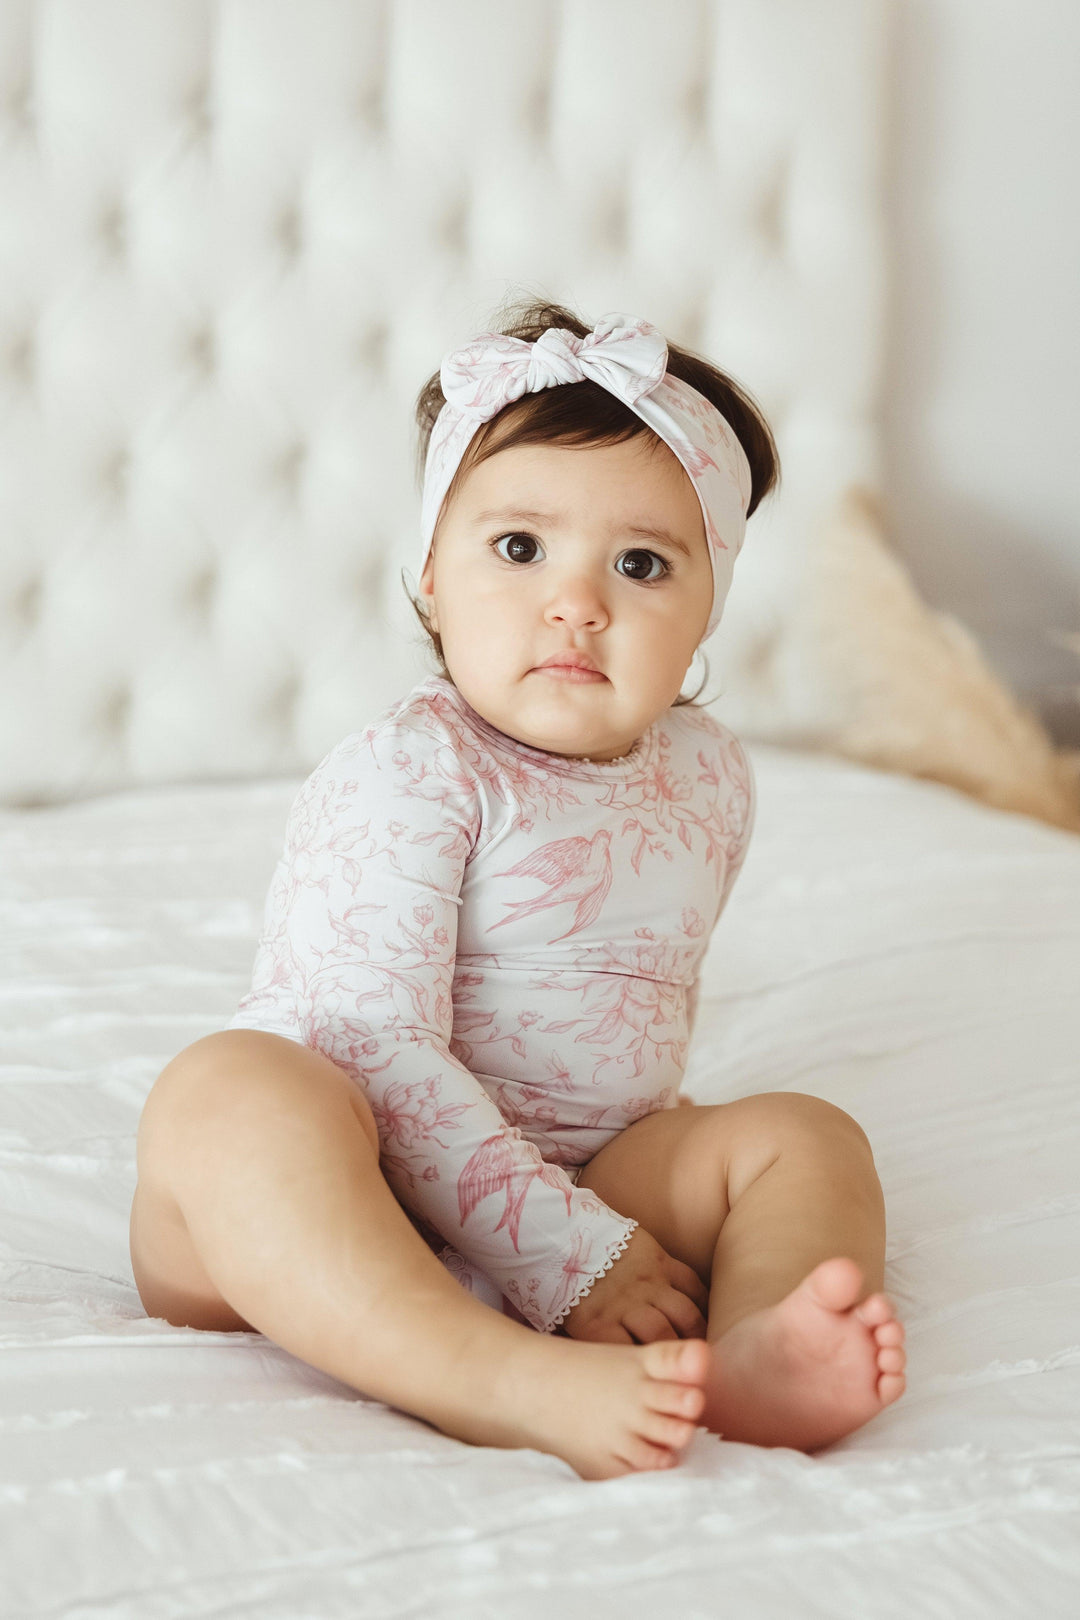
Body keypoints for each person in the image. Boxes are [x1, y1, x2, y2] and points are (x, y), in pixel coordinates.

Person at [129, 300, 906, 1482]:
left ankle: (756, 1358)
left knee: (804, 1138)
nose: (577, 603)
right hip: (351, 1189)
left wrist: (608, 1210)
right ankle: (497, 1380)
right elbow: (371, 1046)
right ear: (431, 576)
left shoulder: (708, 775)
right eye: (519, 547)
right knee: (227, 1095)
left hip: (592, 1165)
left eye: (641, 564)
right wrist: (574, 1259)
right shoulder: (412, 767)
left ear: (710, 607)